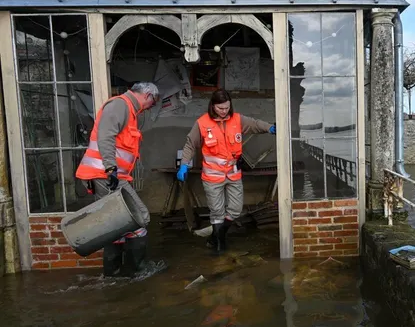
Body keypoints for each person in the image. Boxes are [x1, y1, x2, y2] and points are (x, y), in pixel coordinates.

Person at [75, 82, 159, 277]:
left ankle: (114, 273)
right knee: (140, 217)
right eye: (152, 102)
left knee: (116, 223)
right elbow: (106, 137)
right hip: (107, 176)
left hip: (109, 176)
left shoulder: (127, 110)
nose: (150, 107)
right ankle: (139, 270)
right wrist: (111, 168)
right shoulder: (120, 106)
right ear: (147, 95)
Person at [177, 89, 275, 255]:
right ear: (213, 106)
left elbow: (254, 124)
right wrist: (184, 164)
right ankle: (220, 246)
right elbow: (190, 144)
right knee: (217, 212)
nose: (224, 111)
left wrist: (270, 127)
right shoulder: (202, 123)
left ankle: (216, 235)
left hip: (233, 174)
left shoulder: (237, 119)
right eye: (220, 108)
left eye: (227, 107)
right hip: (212, 176)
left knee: (236, 209)